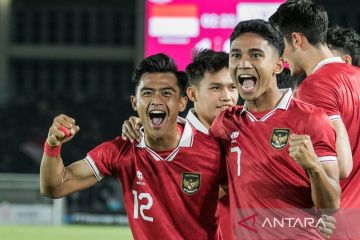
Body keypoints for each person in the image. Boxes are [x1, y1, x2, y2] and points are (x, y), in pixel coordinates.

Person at [40, 53, 227, 239]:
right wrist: (52, 145)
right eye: (147, 93)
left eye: (167, 93)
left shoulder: (214, 149)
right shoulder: (120, 151)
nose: (156, 100)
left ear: (182, 102)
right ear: (134, 102)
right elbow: (55, 187)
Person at [210, 19, 340, 239]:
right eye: (236, 55)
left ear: (278, 65)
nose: (243, 63)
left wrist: (314, 167)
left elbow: (331, 205)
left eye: (255, 55)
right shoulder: (226, 123)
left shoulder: (311, 118)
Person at [122, 49, 239, 240]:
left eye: (232, 87)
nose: (227, 96)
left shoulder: (243, 129)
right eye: (216, 88)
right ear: (192, 94)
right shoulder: (170, 140)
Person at [269, 0, 360, 209]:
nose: (280, 58)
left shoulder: (314, 87)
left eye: (280, 47)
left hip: (340, 221)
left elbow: (342, 167)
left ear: (296, 40)